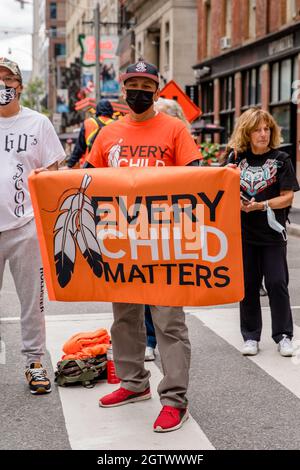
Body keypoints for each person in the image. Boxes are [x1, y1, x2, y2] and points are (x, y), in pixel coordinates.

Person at [84, 59, 202, 432]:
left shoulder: (174, 129)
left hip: (164, 242)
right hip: (122, 241)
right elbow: (87, 179)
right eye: (132, 84)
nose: (139, 91)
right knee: (125, 319)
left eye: (146, 86)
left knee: (168, 322)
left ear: (156, 89)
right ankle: (134, 384)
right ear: (123, 89)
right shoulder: (107, 135)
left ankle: (174, 399)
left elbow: (197, 177)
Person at [0, 57, 65, 394]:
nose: (2, 86)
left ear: (20, 86)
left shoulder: (38, 124)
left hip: (26, 225)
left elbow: (54, 172)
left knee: (31, 302)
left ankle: (35, 362)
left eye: (7, 79)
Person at [225, 107, 299, 357]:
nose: (263, 134)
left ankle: (284, 336)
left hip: (272, 234)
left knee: (277, 283)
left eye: (267, 129)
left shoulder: (281, 159)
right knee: (247, 285)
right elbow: (221, 189)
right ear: (247, 132)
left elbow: (287, 197)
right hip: (243, 234)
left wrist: (262, 205)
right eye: (257, 129)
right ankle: (250, 336)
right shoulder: (235, 158)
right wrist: (236, 203)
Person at [144, 98, 191, 362]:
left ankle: (167, 341)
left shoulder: (178, 138)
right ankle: (149, 340)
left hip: (169, 225)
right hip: (140, 226)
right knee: (143, 289)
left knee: (166, 291)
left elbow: (193, 179)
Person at [66, 99, 114, 168]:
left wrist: (70, 164)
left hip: (91, 165)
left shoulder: (88, 123)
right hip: (110, 167)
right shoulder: (116, 124)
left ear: (97, 110)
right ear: (111, 110)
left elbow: (79, 148)